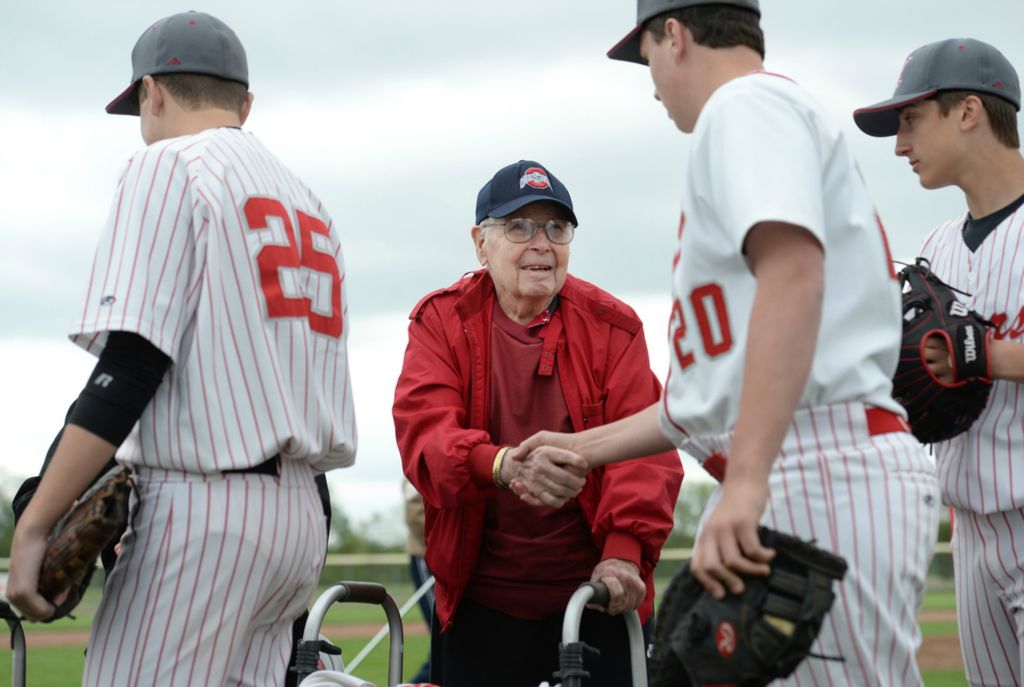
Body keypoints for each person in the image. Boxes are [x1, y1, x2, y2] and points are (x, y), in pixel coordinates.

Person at [514, 3, 941, 685]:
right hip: (794, 459)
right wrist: (578, 447)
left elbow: (794, 271)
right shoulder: (751, 117)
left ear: (676, 36)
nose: (652, 81)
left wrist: (747, 481)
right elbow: (698, 405)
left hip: (814, 462)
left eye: (648, 55)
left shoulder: (744, 106)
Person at [6, 11, 356, 687]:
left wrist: (35, 523)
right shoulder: (309, 203)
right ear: (244, 103)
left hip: (203, 513)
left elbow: (133, 362)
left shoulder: (167, 165)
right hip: (300, 521)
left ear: (152, 93)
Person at [392, 159, 683, 687]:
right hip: (479, 601)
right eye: (519, 227)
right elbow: (425, 437)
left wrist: (624, 555)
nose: (542, 244)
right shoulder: (441, 321)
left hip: (596, 601)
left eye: (557, 227)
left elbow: (647, 452)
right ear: (481, 243)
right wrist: (502, 465)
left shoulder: (612, 326)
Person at [854, 38, 1024, 687]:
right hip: (971, 534)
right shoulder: (936, 249)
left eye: (910, 120)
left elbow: (969, 357)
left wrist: (982, 353)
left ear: (970, 111)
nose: (899, 145)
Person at [402, 479, 434, 683]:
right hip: (427, 555)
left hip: (456, 559)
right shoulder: (417, 461)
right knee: (445, 638)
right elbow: (414, 512)